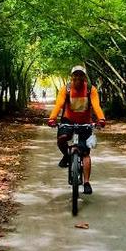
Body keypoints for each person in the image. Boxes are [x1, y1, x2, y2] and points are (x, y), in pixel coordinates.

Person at [47, 65, 105, 195]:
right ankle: (67, 156)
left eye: (81, 75)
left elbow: (96, 106)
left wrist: (101, 119)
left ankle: (86, 183)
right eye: (75, 75)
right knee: (62, 139)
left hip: (85, 123)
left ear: (84, 77)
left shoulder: (91, 89)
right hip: (68, 120)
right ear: (72, 76)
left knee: (85, 153)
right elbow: (59, 104)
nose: (78, 77)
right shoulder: (65, 89)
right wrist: (52, 118)